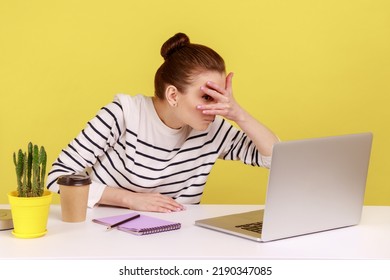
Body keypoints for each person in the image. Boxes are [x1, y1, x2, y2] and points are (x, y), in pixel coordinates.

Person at [47, 33, 279, 213]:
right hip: (105, 231)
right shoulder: (124, 114)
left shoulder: (213, 128)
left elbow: (275, 158)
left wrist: (238, 113)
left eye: (221, 97)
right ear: (173, 95)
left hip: (175, 238)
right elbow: (58, 177)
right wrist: (129, 199)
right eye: (207, 97)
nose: (217, 107)